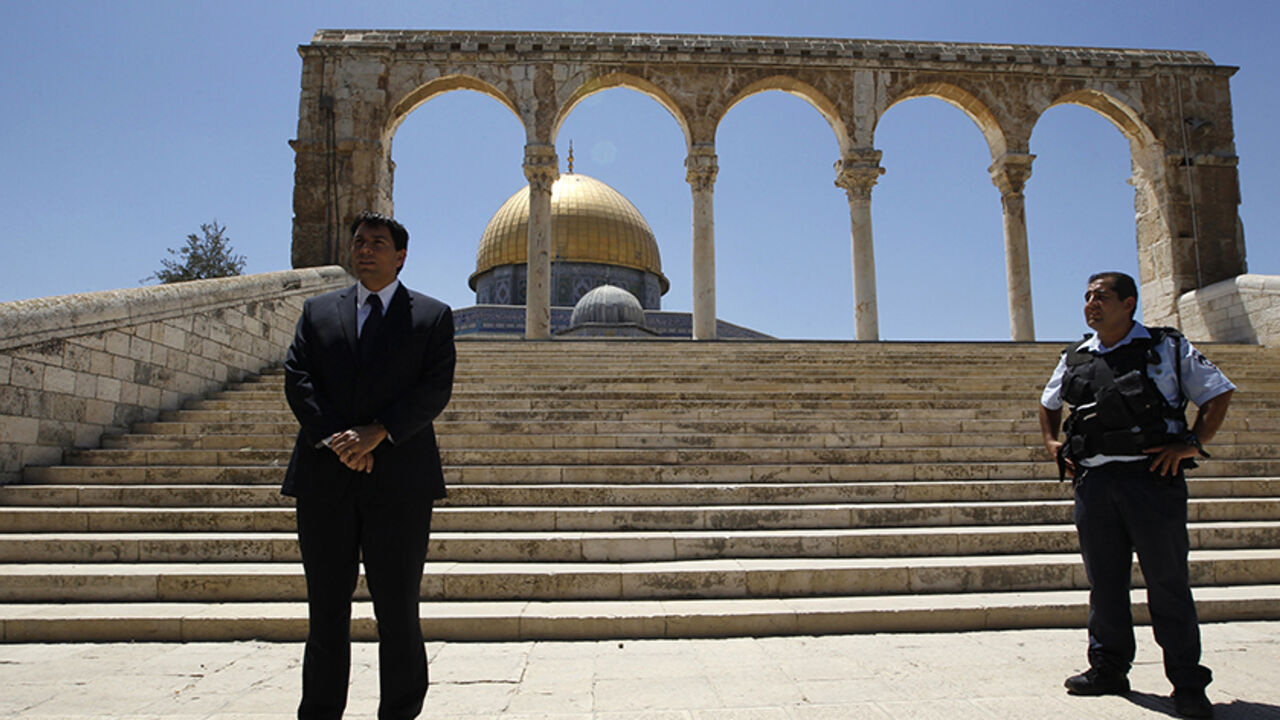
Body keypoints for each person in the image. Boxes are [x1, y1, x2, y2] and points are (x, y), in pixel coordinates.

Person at [282, 210, 456, 720]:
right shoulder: (317, 312)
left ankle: (400, 712)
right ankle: (319, 711)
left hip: (399, 481)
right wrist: (339, 440)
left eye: (377, 242)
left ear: (400, 256)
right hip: (325, 478)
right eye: (358, 241)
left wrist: (378, 431)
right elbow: (299, 377)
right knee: (326, 610)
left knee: (397, 610)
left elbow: (434, 389)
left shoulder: (431, 316)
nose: (365, 249)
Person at [1038, 271, 1234, 719]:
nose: (1091, 303)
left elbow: (1218, 394)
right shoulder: (1075, 355)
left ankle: (1186, 683)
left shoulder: (1166, 347)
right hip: (1095, 484)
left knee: (1167, 583)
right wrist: (1052, 443)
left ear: (1129, 303)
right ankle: (1108, 667)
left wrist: (1193, 445)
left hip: (1151, 481)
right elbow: (1049, 403)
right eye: (1087, 296)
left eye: (1102, 296)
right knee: (1104, 583)